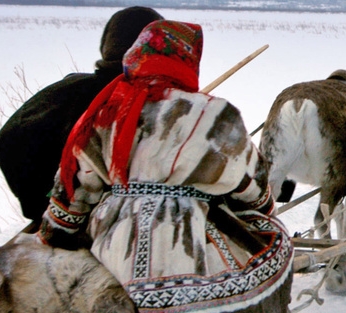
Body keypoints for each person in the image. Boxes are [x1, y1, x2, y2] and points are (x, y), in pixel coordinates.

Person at [39, 20, 292, 312]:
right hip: (189, 239)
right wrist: (261, 213)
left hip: (112, 246)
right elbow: (252, 182)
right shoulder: (215, 114)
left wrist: (55, 234)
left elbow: (75, 187)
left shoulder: (109, 110)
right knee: (276, 246)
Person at [0, 6, 162, 224]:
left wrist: (41, 205)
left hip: (75, 221)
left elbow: (9, 139)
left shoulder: (71, 89)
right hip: (132, 225)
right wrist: (41, 203)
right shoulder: (162, 102)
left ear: (106, 45)